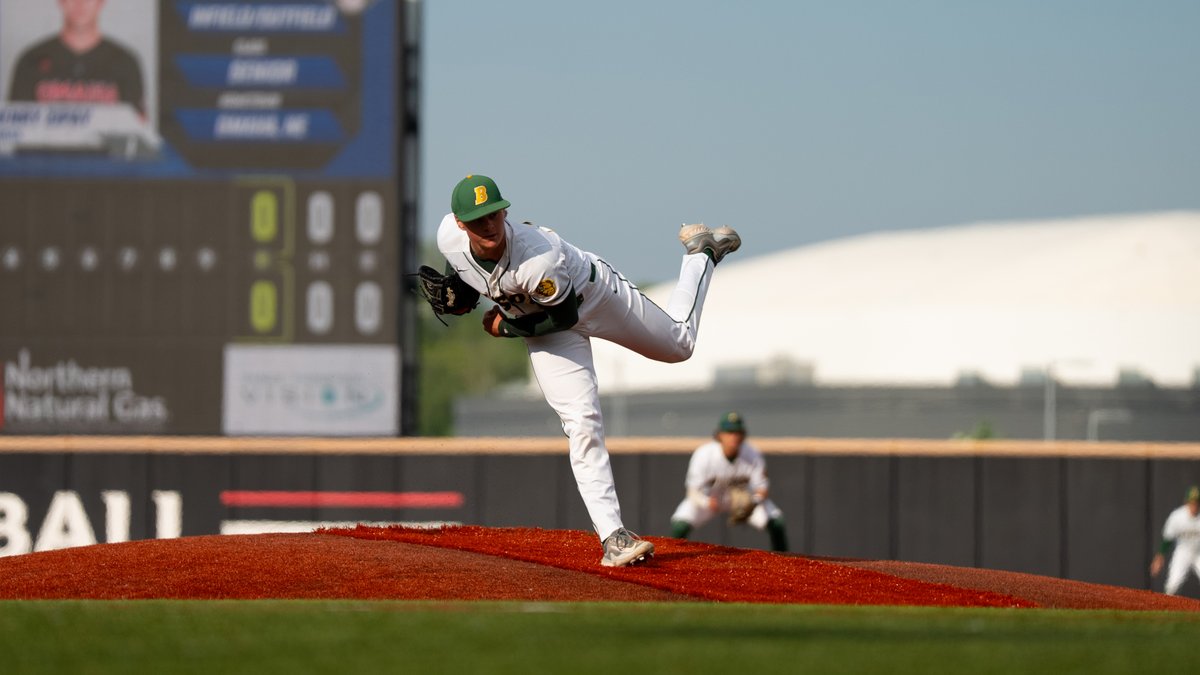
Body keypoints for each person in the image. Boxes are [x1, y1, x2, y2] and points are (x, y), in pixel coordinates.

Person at [432, 174, 740, 567]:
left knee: (680, 345)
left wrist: (504, 327)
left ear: (505, 211)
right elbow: (461, 263)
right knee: (581, 422)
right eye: (477, 220)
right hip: (544, 330)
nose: (489, 225)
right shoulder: (448, 236)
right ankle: (614, 537)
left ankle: (701, 254)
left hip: (591, 297)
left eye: (494, 214)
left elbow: (563, 317)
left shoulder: (536, 257)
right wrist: (465, 292)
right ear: (460, 224)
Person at [669, 411, 788, 552]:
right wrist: (706, 502)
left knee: (776, 522)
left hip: (744, 501)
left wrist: (753, 502)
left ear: (743, 435)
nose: (734, 437)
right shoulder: (704, 455)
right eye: (729, 432)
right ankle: (673, 564)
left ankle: (784, 563)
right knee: (680, 524)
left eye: (738, 432)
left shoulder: (752, 454)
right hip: (710, 499)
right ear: (720, 435)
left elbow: (762, 489)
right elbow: (692, 491)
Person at [7, 0, 145, 117]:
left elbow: (138, 130)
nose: (80, 4)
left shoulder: (125, 62)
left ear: (101, 2)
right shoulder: (31, 59)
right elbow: (16, 126)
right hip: (47, 149)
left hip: (105, 149)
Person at [1150, 485, 1200, 595]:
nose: (1194, 505)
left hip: (1199, 552)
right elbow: (1168, 539)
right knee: (1172, 585)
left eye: (1196, 502)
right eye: (1192, 502)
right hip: (1182, 552)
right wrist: (1159, 557)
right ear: (1186, 502)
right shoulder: (1177, 516)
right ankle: (1165, 609)